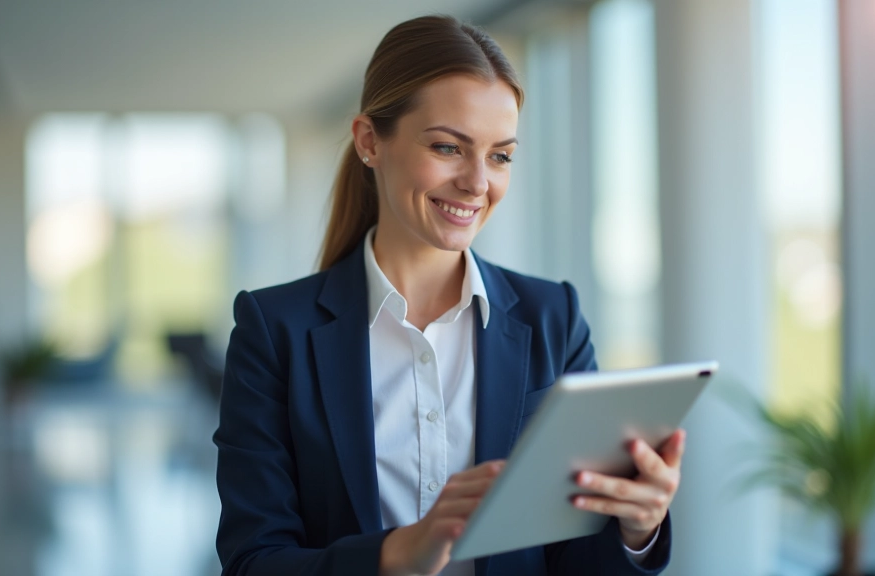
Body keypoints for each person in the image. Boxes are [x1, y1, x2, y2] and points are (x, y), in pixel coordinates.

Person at [213, 14, 684, 576]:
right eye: (447, 147)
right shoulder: (274, 331)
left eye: (501, 155)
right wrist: (395, 555)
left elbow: (571, 557)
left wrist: (636, 530)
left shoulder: (554, 318)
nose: (478, 182)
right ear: (370, 142)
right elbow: (253, 561)